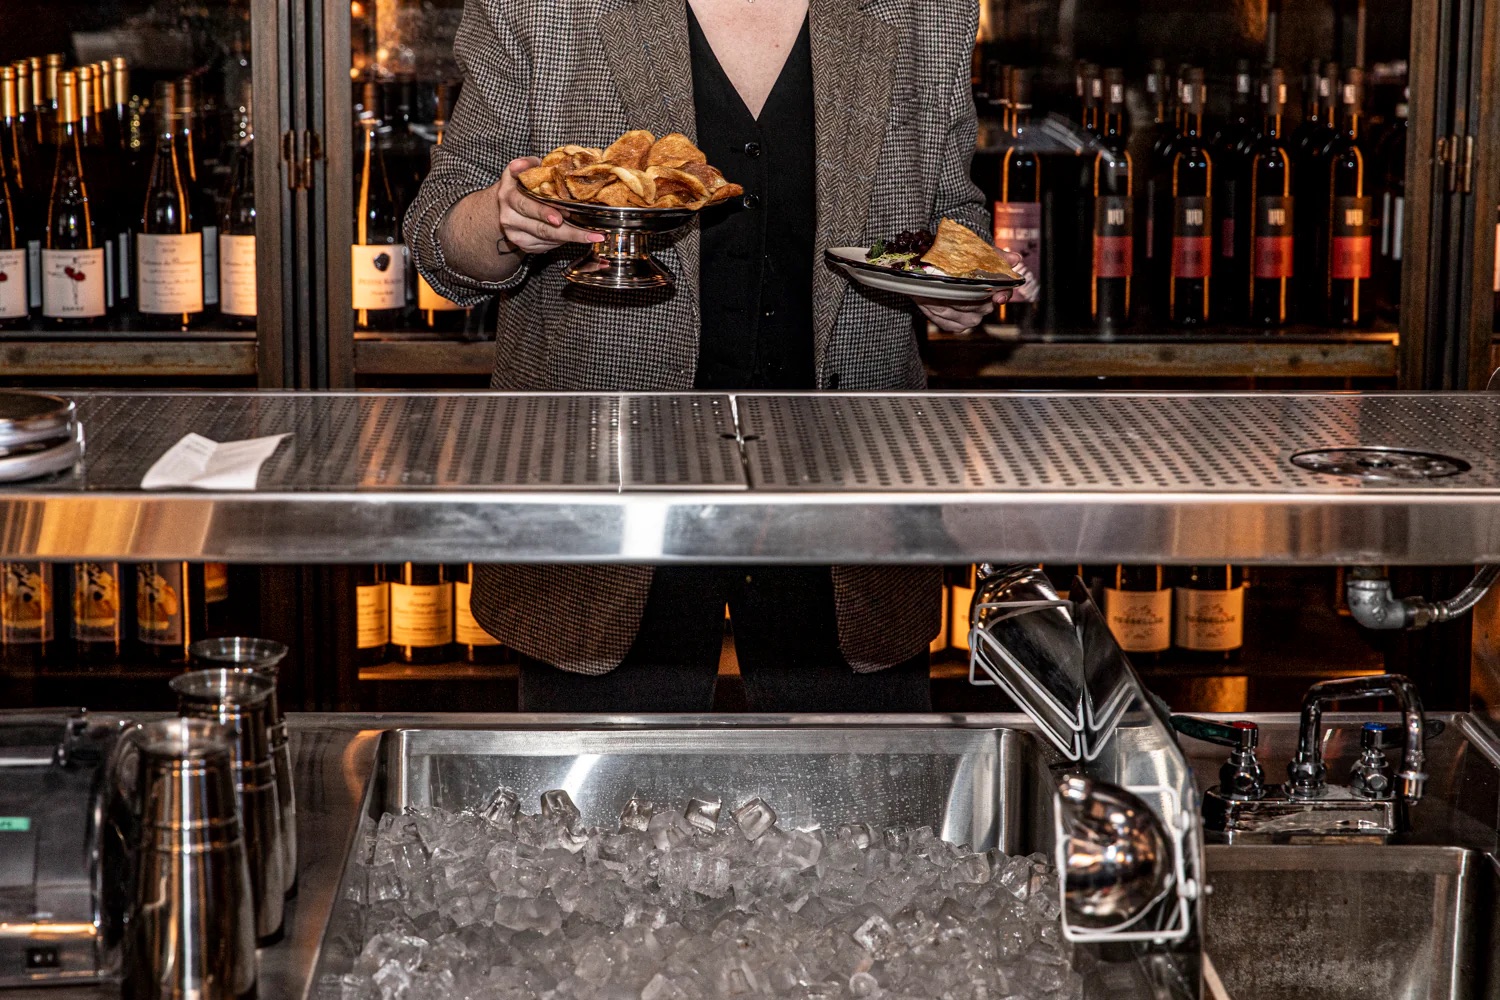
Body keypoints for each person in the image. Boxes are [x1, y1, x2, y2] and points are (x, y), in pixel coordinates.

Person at [406, 0, 1017, 713]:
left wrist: (958, 285)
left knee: (861, 806)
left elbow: (951, 211)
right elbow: (440, 233)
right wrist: (505, 220)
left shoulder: (923, 9)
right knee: (592, 819)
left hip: (850, 510)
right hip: (606, 507)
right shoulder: (541, 8)